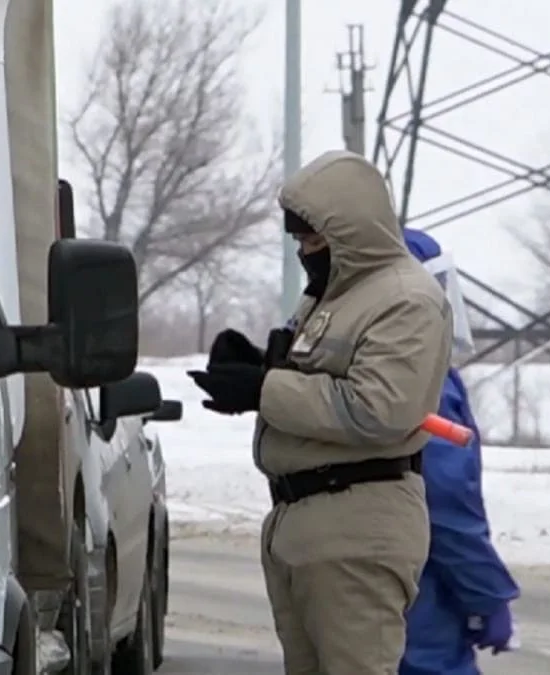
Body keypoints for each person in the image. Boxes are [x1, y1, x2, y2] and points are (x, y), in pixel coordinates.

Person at [188, 150, 452, 674]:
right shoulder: (335, 296)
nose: (305, 252)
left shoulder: (404, 299)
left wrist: (264, 389)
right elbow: (321, 377)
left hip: (356, 526)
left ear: (352, 232)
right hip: (307, 524)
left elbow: (378, 408)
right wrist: (258, 368)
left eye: (313, 240)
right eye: (299, 240)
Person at [399, 227, 519, 675]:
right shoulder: (423, 384)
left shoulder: (344, 363)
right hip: (419, 599)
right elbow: (445, 505)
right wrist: (487, 598)